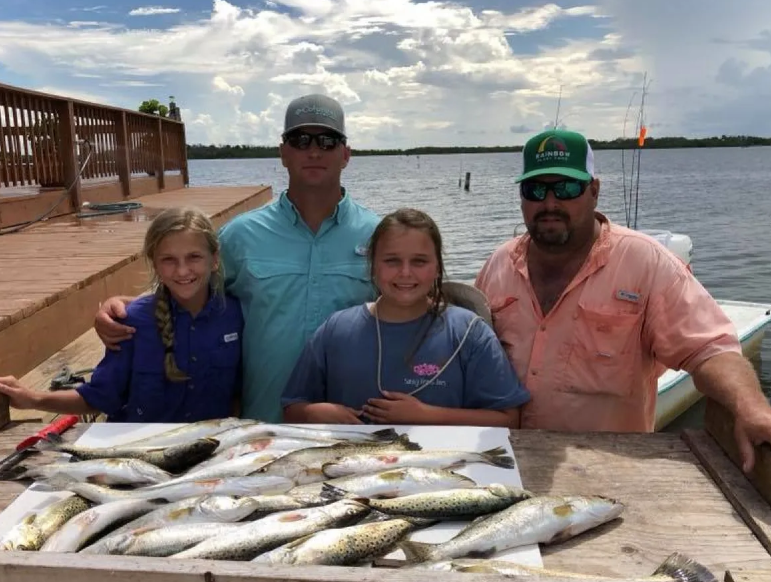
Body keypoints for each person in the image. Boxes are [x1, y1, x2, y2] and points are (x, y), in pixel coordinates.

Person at [475, 128, 771, 471]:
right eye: (536, 189)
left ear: (594, 191)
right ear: (522, 196)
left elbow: (710, 349)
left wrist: (751, 407)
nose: (550, 203)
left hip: (611, 473)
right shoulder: (498, 265)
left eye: (567, 188)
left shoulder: (645, 262)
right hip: (502, 465)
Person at [91, 94, 381, 423]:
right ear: (283, 153)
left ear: (345, 154)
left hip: (354, 423)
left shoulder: (379, 235)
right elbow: (187, 288)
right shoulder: (240, 235)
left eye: (328, 141)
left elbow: (412, 310)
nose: (314, 151)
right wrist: (123, 308)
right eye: (300, 141)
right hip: (262, 424)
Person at [282, 208, 530, 427]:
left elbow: (507, 418)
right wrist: (318, 412)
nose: (405, 273)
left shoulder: (469, 332)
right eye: (392, 261)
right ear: (373, 266)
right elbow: (293, 409)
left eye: (419, 262)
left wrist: (425, 415)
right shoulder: (336, 329)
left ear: (436, 268)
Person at [0, 207, 242, 422]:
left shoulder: (237, 315)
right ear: (154, 264)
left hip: (209, 450)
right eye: (168, 259)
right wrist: (34, 399)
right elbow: (101, 397)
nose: (182, 270)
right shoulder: (132, 321)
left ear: (215, 259)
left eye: (194, 257)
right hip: (137, 450)